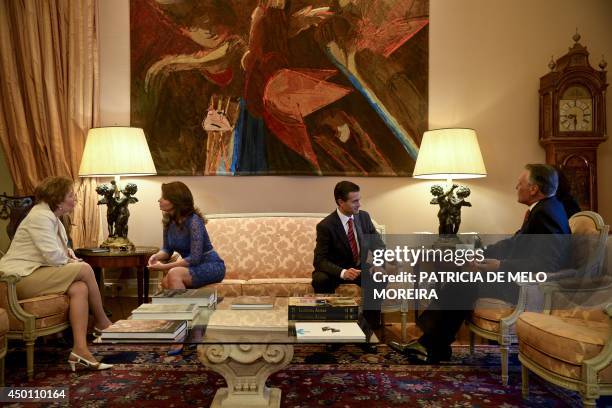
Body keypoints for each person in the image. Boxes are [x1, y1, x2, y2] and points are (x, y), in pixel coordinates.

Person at [390, 164, 571, 363]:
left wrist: (499, 266)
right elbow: (513, 243)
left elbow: (546, 264)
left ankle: (431, 345)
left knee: (463, 281)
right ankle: (433, 345)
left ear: (534, 188)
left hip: (527, 288)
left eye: (520, 184)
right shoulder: (544, 209)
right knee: (463, 277)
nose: (515, 187)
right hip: (517, 278)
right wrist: (480, 254)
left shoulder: (546, 213)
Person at [0, 176, 113, 371]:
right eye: (71, 195)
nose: (75, 199)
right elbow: (54, 257)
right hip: (17, 280)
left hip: (34, 273)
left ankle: (80, 349)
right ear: (58, 198)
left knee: (79, 287)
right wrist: (71, 261)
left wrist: (69, 257)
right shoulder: (40, 217)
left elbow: (59, 251)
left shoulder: (52, 217)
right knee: (84, 269)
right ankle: (103, 323)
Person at [311, 180, 386, 328]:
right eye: (355, 201)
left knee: (378, 277)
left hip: (359, 268)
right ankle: (333, 329)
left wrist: (378, 263)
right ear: (341, 202)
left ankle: (368, 331)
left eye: (359, 200)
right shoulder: (326, 226)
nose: (359, 204)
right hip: (336, 271)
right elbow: (319, 260)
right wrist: (343, 272)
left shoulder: (364, 217)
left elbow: (379, 246)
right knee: (320, 279)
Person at [147, 181, 225, 289]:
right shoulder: (168, 221)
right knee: (165, 282)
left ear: (175, 201)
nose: (159, 200)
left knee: (174, 274)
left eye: (164, 197)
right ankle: (189, 305)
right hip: (190, 267)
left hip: (210, 265)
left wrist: (164, 267)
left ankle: (185, 306)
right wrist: (155, 256)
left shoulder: (194, 221)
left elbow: (194, 259)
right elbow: (166, 250)